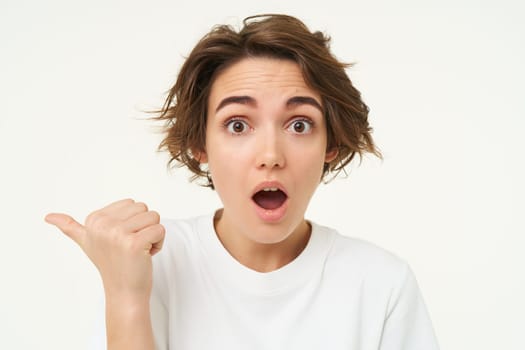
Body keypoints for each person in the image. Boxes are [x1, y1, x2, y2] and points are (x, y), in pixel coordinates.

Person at [45, 14, 439, 350]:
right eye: (237, 125)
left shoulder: (381, 284)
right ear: (200, 144)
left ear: (330, 144)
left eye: (299, 125)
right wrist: (127, 297)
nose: (270, 154)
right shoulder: (147, 263)